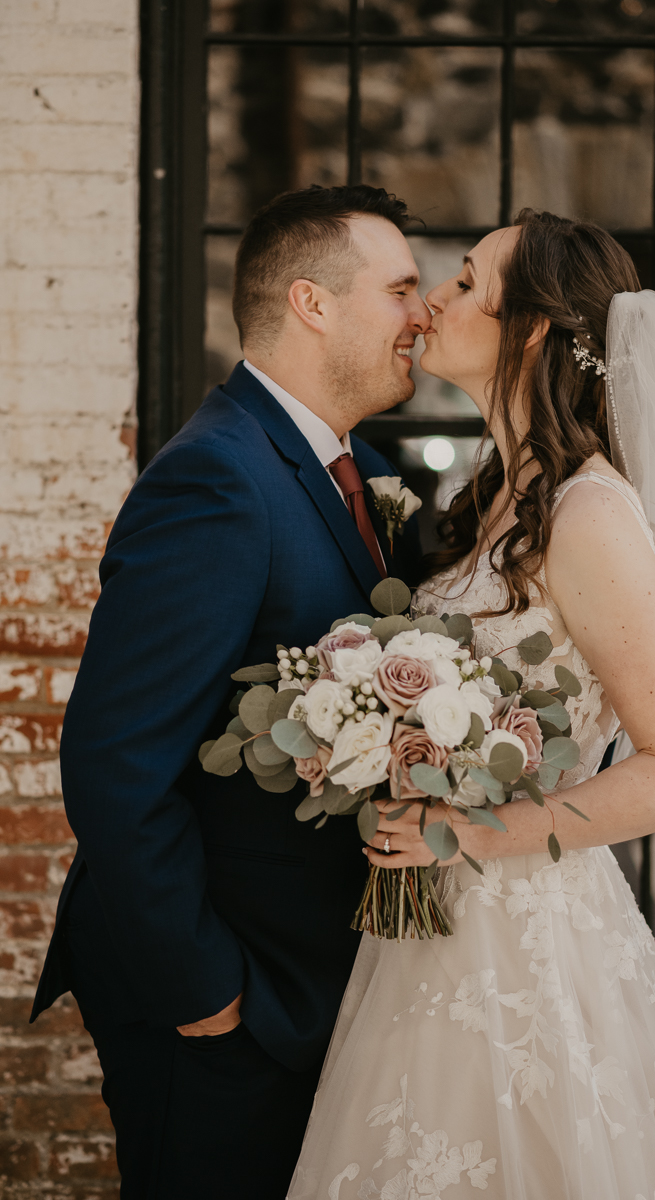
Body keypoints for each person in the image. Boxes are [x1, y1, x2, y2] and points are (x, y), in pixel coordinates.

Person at [288, 211, 655, 1199]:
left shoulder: (588, 514)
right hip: (430, 933)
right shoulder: (496, 502)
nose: (433, 298)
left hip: (529, 939)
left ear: (529, 330)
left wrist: (470, 836)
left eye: (465, 281)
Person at [30, 184, 430, 1199]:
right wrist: (208, 996)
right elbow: (116, 765)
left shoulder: (359, 472)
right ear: (313, 302)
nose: (419, 315)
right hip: (224, 999)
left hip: (311, 988)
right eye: (400, 290)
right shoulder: (214, 478)